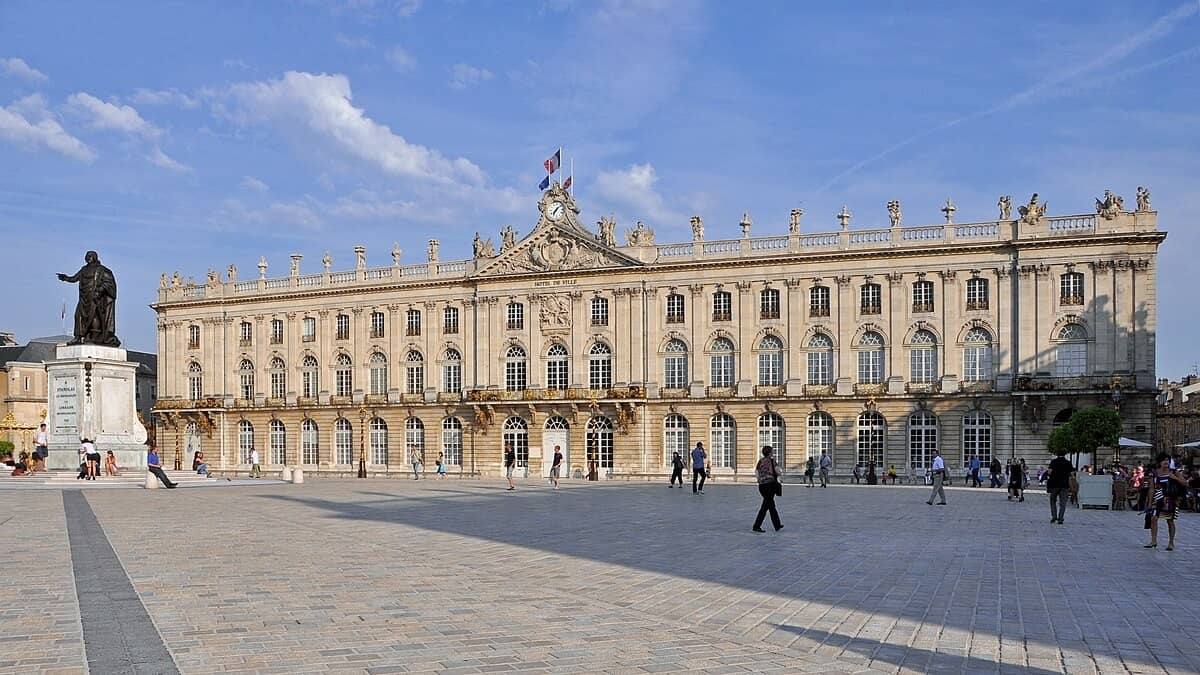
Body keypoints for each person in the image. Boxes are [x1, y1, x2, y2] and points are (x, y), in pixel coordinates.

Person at [1145, 453, 1189, 550]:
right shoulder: (1154, 473)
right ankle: (1153, 541)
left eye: (1167, 460)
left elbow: (1185, 483)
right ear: (1159, 462)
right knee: (1154, 518)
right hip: (1157, 499)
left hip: (1170, 500)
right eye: (1164, 460)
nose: (1166, 462)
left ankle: (1171, 543)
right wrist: (1149, 502)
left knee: (1170, 521)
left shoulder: (1174, 472)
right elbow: (1152, 488)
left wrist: (1175, 478)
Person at [752, 446, 784, 533]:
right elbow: (778, 471)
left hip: (762, 486)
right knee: (765, 507)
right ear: (769, 452)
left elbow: (756, 472)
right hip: (770, 485)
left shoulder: (760, 461)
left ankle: (777, 525)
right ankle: (756, 526)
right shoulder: (772, 461)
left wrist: (760, 479)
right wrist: (780, 475)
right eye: (772, 451)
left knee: (771, 505)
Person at [1046, 449, 1075, 524]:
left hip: (1054, 484)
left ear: (1057, 454)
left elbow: (1049, 472)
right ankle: (1060, 518)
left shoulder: (1053, 462)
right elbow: (1072, 474)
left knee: (1052, 500)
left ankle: (1054, 516)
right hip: (1064, 485)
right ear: (1065, 454)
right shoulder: (1068, 462)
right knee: (1063, 502)